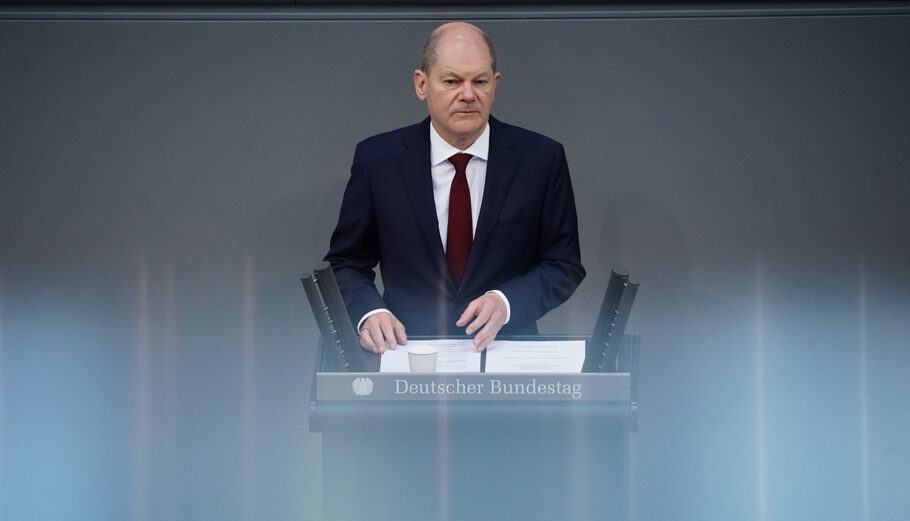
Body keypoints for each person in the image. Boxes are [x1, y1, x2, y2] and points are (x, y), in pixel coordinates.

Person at [324, 22, 584, 354]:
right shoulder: (378, 160)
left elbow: (564, 265)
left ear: (495, 84)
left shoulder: (541, 158)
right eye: (452, 81)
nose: (467, 94)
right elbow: (345, 263)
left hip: (506, 357)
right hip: (408, 355)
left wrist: (506, 302)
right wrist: (370, 313)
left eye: (480, 81)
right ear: (422, 84)